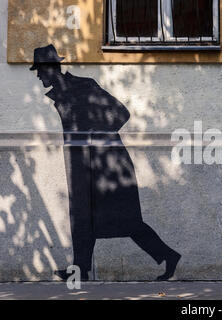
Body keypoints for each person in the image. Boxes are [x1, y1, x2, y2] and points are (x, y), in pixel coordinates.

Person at [30, 45, 181, 281]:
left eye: (39, 70)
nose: (38, 75)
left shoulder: (85, 86)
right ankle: (80, 270)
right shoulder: (60, 94)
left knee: (127, 221)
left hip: (108, 164)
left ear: (50, 68)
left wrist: (95, 138)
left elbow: (121, 114)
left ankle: (168, 256)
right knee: (81, 217)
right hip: (80, 165)